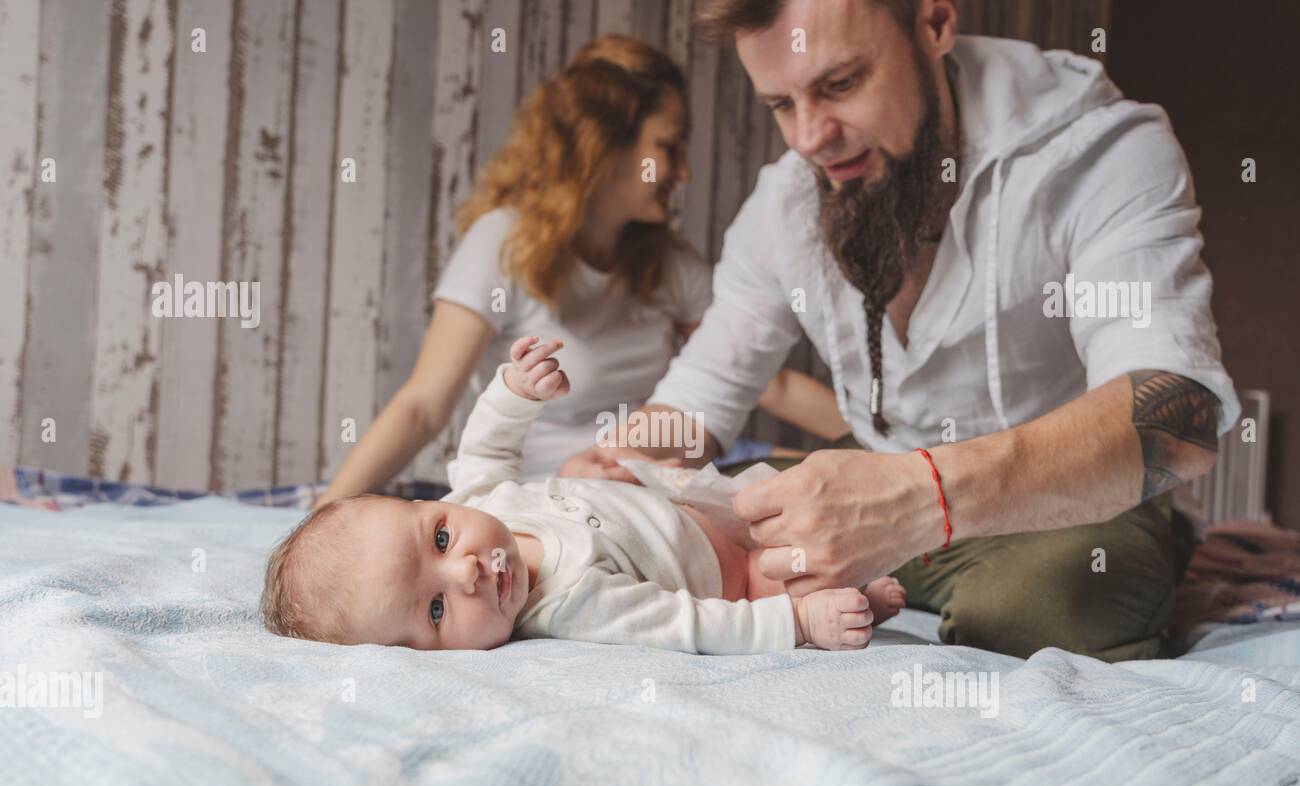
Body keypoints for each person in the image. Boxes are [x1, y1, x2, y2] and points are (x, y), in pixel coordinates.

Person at [559, 0, 1240, 662]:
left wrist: (923, 497)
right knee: (675, 539)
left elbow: (1178, 417)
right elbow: (699, 397)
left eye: (841, 84)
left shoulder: (1097, 152)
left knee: (1033, 615)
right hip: (880, 459)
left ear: (935, 21)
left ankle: (1165, 542)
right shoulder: (788, 196)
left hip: (1058, 498)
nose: (808, 138)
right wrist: (624, 462)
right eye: (781, 105)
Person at [315, 34, 845, 507]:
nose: (684, 171)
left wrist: (891, 449)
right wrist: (326, 516)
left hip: (643, 486)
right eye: (668, 147)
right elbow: (422, 408)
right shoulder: (504, 244)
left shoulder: (665, 263)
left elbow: (762, 381)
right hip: (548, 505)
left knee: (814, 482)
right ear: (605, 146)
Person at [262, 336, 907, 653]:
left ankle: (881, 513)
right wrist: (789, 625)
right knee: (790, 575)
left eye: (438, 537)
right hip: (733, 575)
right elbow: (688, 624)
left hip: (698, 505)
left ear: (434, 510)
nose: (465, 573)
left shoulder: (485, 505)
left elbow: (483, 450)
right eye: (435, 612)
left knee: (791, 492)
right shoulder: (570, 606)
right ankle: (836, 608)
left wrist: (514, 392)